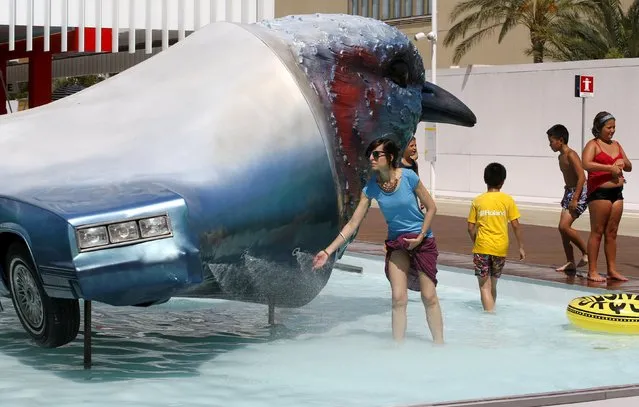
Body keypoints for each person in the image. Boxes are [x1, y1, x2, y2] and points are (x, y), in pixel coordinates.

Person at [312, 137, 444, 344]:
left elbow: (432, 207)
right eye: (369, 155)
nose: (371, 159)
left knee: (429, 297)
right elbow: (352, 224)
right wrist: (328, 251)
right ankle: (397, 349)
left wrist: (420, 236)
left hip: (422, 240)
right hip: (397, 243)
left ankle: (439, 345)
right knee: (398, 299)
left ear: (390, 157)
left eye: (376, 154)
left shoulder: (408, 177)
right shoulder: (372, 187)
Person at [467, 163, 525, 312]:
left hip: (482, 247)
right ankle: (492, 310)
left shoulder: (478, 201)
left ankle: (489, 319)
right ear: (503, 181)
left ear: (485, 180)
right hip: (500, 248)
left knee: (484, 286)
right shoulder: (507, 200)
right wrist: (520, 247)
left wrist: (476, 241)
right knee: (493, 284)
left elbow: (470, 227)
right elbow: (516, 225)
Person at [581, 111, 631, 282]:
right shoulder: (593, 144)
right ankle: (592, 270)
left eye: (614, 127)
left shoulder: (617, 144)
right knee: (597, 231)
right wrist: (610, 168)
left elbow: (629, 166)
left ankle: (612, 270)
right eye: (609, 127)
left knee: (612, 232)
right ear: (599, 128)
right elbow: (585, 164)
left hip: (617, 193)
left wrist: (623, 163)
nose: (612, 131)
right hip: (599, 193)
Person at [546, 124, 588, 272]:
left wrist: (575, 198)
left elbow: (582, 177)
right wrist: (567, 192)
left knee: (564, 226)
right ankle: (570, 261)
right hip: (569, 192)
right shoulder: (560, 156)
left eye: (551, 141)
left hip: (579, 192)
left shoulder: (571, 154)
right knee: (562, 229)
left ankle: (586, 252)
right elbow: (569, 177)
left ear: (561, 140)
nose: (549, 144)